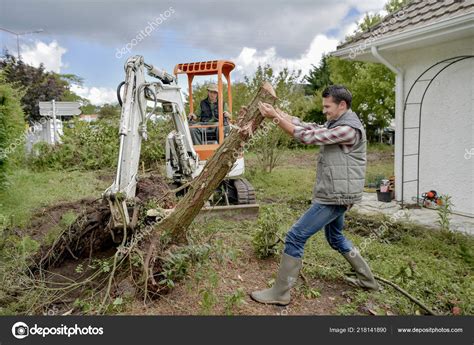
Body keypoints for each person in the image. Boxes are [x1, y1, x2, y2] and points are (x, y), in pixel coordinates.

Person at [251, 85, 379, 306]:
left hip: (334, 197)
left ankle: (281, 293)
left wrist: (275, 119)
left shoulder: (348, 130)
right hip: (337, 193)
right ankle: (368, 281)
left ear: (342, 105)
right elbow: (308, 125)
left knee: (295, 236)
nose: (324, 111)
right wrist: (277, 112)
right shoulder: (338, 123)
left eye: (327, 106)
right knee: (336, 237)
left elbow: (308, 137)